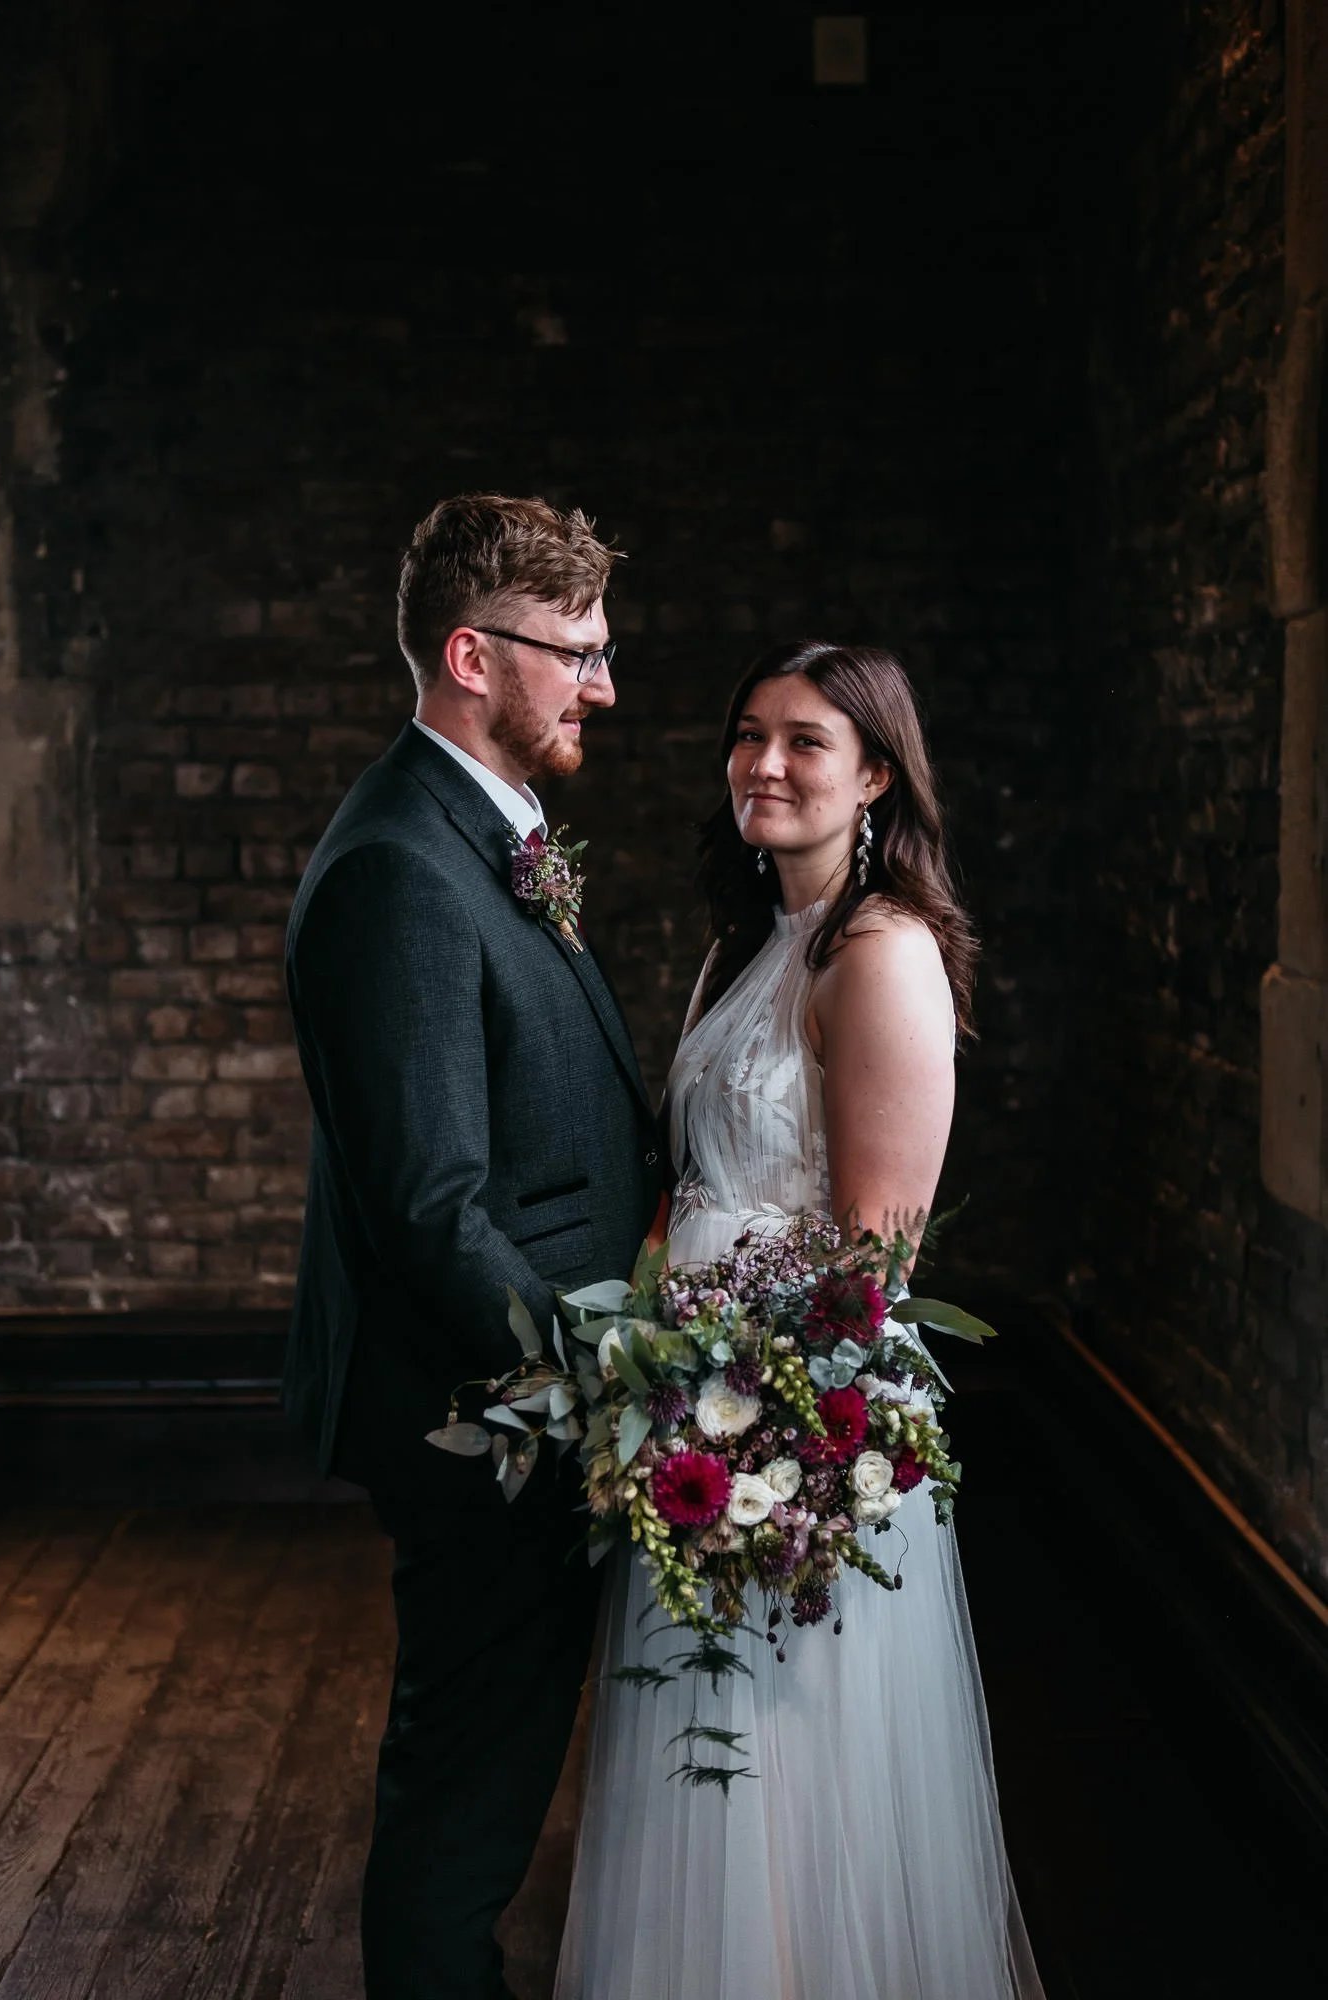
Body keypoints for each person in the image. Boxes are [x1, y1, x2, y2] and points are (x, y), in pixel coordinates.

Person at [556, 639, 1043, 2000]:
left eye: (806, 741)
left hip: (795, 1425)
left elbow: (872, 1263)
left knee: (785, 1767)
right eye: (747, 735)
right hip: (691, 1396)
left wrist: (765, 1444)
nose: (764, 764)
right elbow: (694, 1189)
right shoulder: (750, 942)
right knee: (704, 1768)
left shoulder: (880, 956)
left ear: (875, 773)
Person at [283, 493, 663, 2000]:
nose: (606, 685)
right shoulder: (399, 868)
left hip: (534, 1400)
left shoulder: (484, 831)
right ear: (468, 654)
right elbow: (433, 1209)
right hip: (487, 1424)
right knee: (461, 1823)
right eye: (578, 653)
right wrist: (606, 1396)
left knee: (482, 1802)